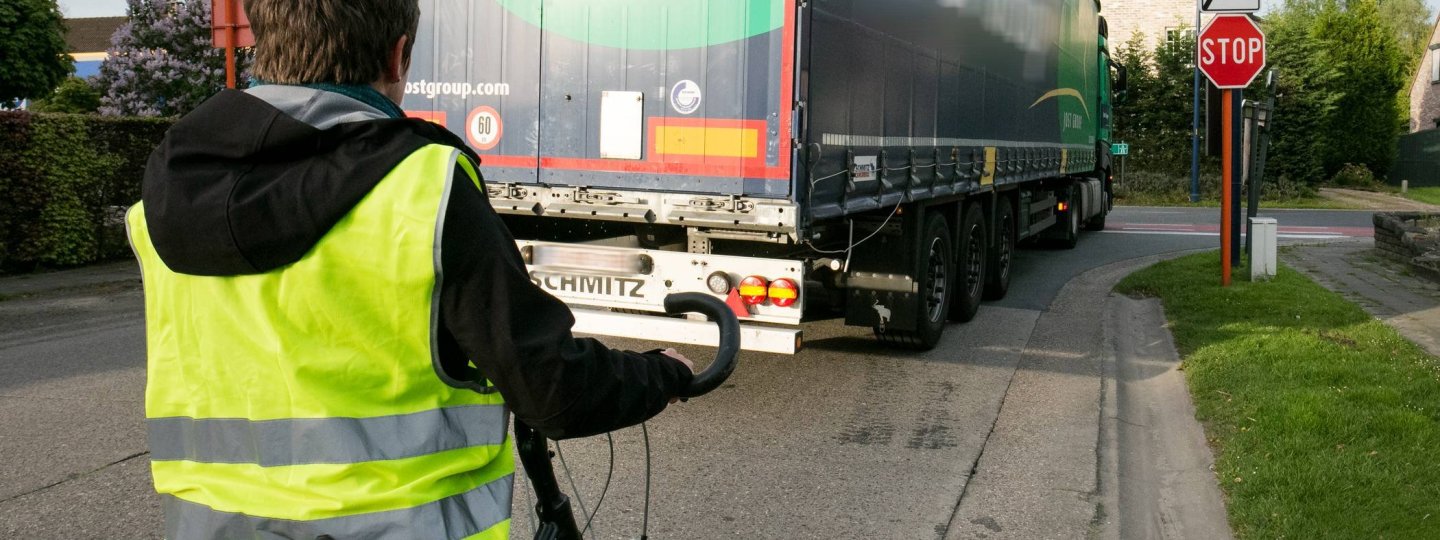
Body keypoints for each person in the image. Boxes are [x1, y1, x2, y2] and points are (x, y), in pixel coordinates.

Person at [126, 0, 695, 538]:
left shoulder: (163, 200)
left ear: (262, 42)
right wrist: (663, 374)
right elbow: (550, 387)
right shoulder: (424, 186)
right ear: (398, 55)